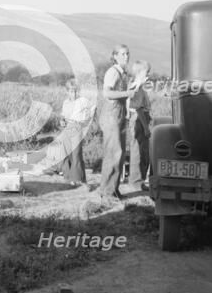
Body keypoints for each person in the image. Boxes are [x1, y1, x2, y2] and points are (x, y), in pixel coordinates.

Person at [98, 44, 135, 203]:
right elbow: (107, 92)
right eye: (122, 54)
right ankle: (107, 192)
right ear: (114, 56)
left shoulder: (123, 73)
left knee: (118, 154)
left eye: (127, 54)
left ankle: (113, 189)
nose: (126, 57)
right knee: (113, 153)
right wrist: (128, 93)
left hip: (118, 114)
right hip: (111, 115)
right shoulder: (112, 72)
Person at [59, 78, 92, 185]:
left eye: (76, 91)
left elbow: (91, 111)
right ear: (67, 92)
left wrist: (85, 123)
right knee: (66, 153)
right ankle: (69, 177)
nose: (74, 93)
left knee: (76, 154)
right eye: (72, 91)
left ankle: (78, 178)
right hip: (67, 128)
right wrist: (62, 121)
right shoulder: (65, 102)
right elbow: (63, 116)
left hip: (77, 128)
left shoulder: (82, 101)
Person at [128, 60, 152, 191]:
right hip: (139, 120)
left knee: (142, 152)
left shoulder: (138, 87)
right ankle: (136, 182)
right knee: (138, 152)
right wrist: (146, 127)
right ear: (139, 73)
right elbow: (138, 109)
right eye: (146, 72)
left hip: (140, 119)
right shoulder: (136, 88)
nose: (148, 75)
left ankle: (139, 180)